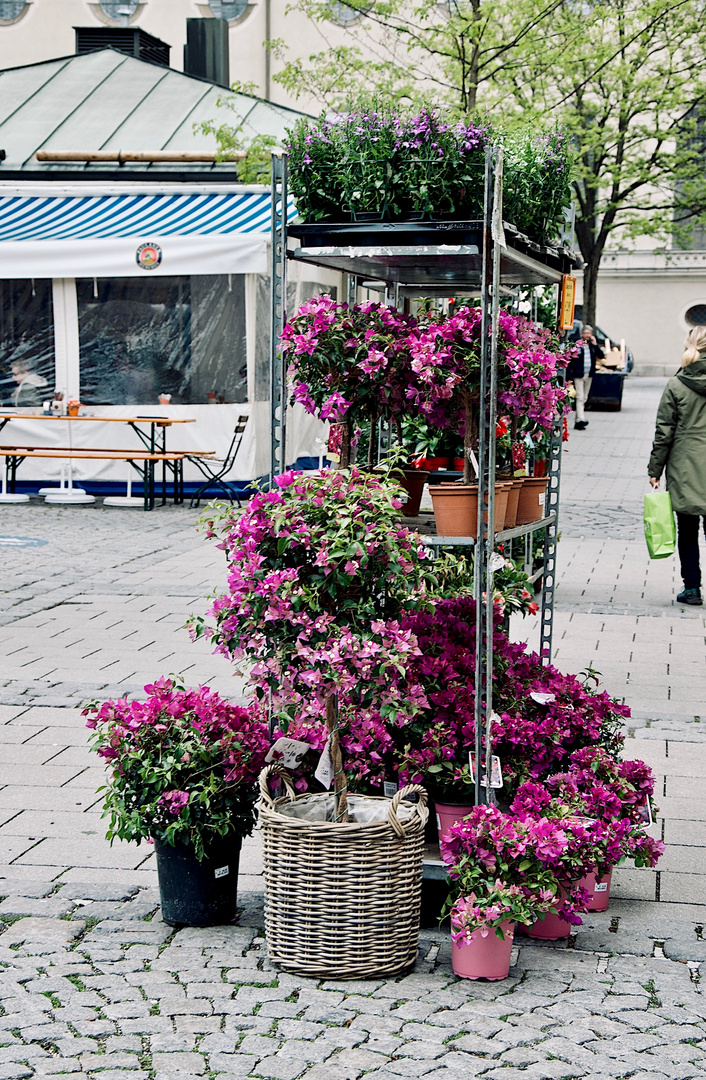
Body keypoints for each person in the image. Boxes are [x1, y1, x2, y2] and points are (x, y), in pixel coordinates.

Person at [648, 325, 706, 605]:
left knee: (688, 529)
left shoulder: (677, 384)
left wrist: (654, 470)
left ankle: (692, 588)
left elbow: (664, 431)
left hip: (685, 464)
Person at [568, 325, 604, 430]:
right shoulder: (578, 345)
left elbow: (601, 356)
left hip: (589, 374)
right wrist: (569, 377)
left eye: (589, 333)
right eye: (586, 333)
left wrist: (595, 344)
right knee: (580, 397)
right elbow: (571, 361)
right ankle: (581, 419)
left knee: (584, 398)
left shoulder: (591, 345)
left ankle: (578, 421)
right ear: (582, 334)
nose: (588, 335)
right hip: (578, 374)